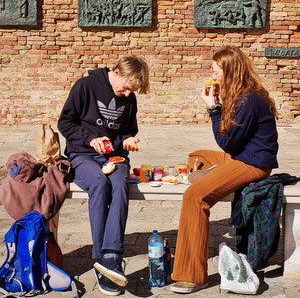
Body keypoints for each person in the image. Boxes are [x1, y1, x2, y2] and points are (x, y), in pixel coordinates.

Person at [170, 45, 278, 294]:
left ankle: (192, 276)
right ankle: (210, 172)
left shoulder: (249, 100)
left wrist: (213, 108)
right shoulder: (243, 94)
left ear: (230, 70)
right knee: (197, 156)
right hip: (239, 157)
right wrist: (219, 100)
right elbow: (231, 143)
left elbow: (227, 141)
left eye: (216, 70)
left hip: (252, 164)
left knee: (195, 196)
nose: (213, 74)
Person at [57, 55, 150, 296]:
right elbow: (65, 123)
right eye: (127, 87)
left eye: (133, 91)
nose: (129, 94)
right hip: (82, 155)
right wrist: (90, 139)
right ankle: (100, 259)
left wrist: (129, 139)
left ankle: (112, 256)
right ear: (117, 72)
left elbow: (130, 129)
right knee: (99, 183)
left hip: (115, 156)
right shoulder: (85, 86)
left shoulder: (129, 98)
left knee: (119, 185)